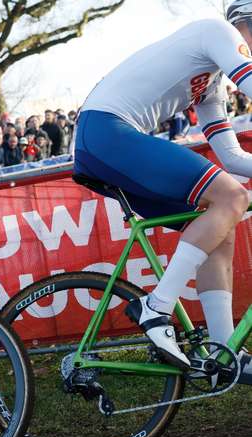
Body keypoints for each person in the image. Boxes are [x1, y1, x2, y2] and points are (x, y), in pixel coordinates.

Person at [73, 1, 252, 381]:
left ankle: (223, 356)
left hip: (106, 137)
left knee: (220, 221)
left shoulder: (212, 79)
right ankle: (156, 307)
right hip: (107, 130)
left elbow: (231, 155)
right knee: (233, 197)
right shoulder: (218, 33)